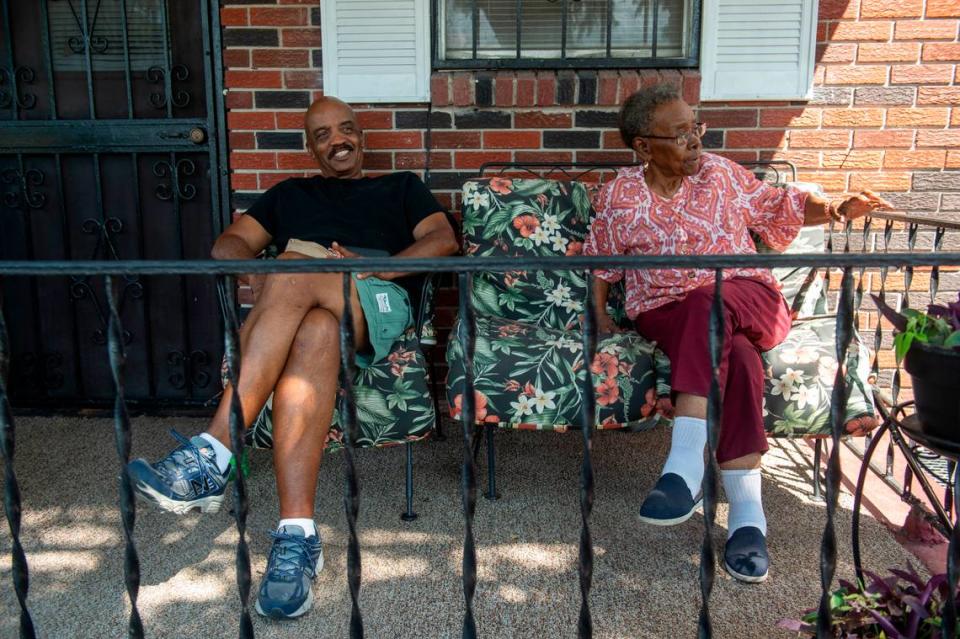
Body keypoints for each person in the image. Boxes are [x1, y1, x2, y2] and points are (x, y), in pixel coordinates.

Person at [127, 96, 458, 618]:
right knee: (315, 327)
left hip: (375, 301)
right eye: (323, 134)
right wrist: (260, 274)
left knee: (297, 265)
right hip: (314, 310)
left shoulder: (400, 187)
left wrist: (378, 270)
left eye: (346, 129)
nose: (338, 140)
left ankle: (214, 449)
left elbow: (443, 241)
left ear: (361, 137)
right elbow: (229, 244)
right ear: (311, 147)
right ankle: (297, 536)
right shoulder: (287, 195)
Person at [583, 83, 890, 584]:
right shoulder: (619, 194)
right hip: (666, 310)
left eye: (696, 127)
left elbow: (779, 206)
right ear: (643, 145)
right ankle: (749, 520)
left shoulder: (720, 174)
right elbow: (601, 258)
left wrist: (835, 209)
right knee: (740, 360)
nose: (695, 140)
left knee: (711, 298)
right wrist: (598, 314)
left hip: (750, 297)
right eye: (680, 133)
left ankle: (684, 466)